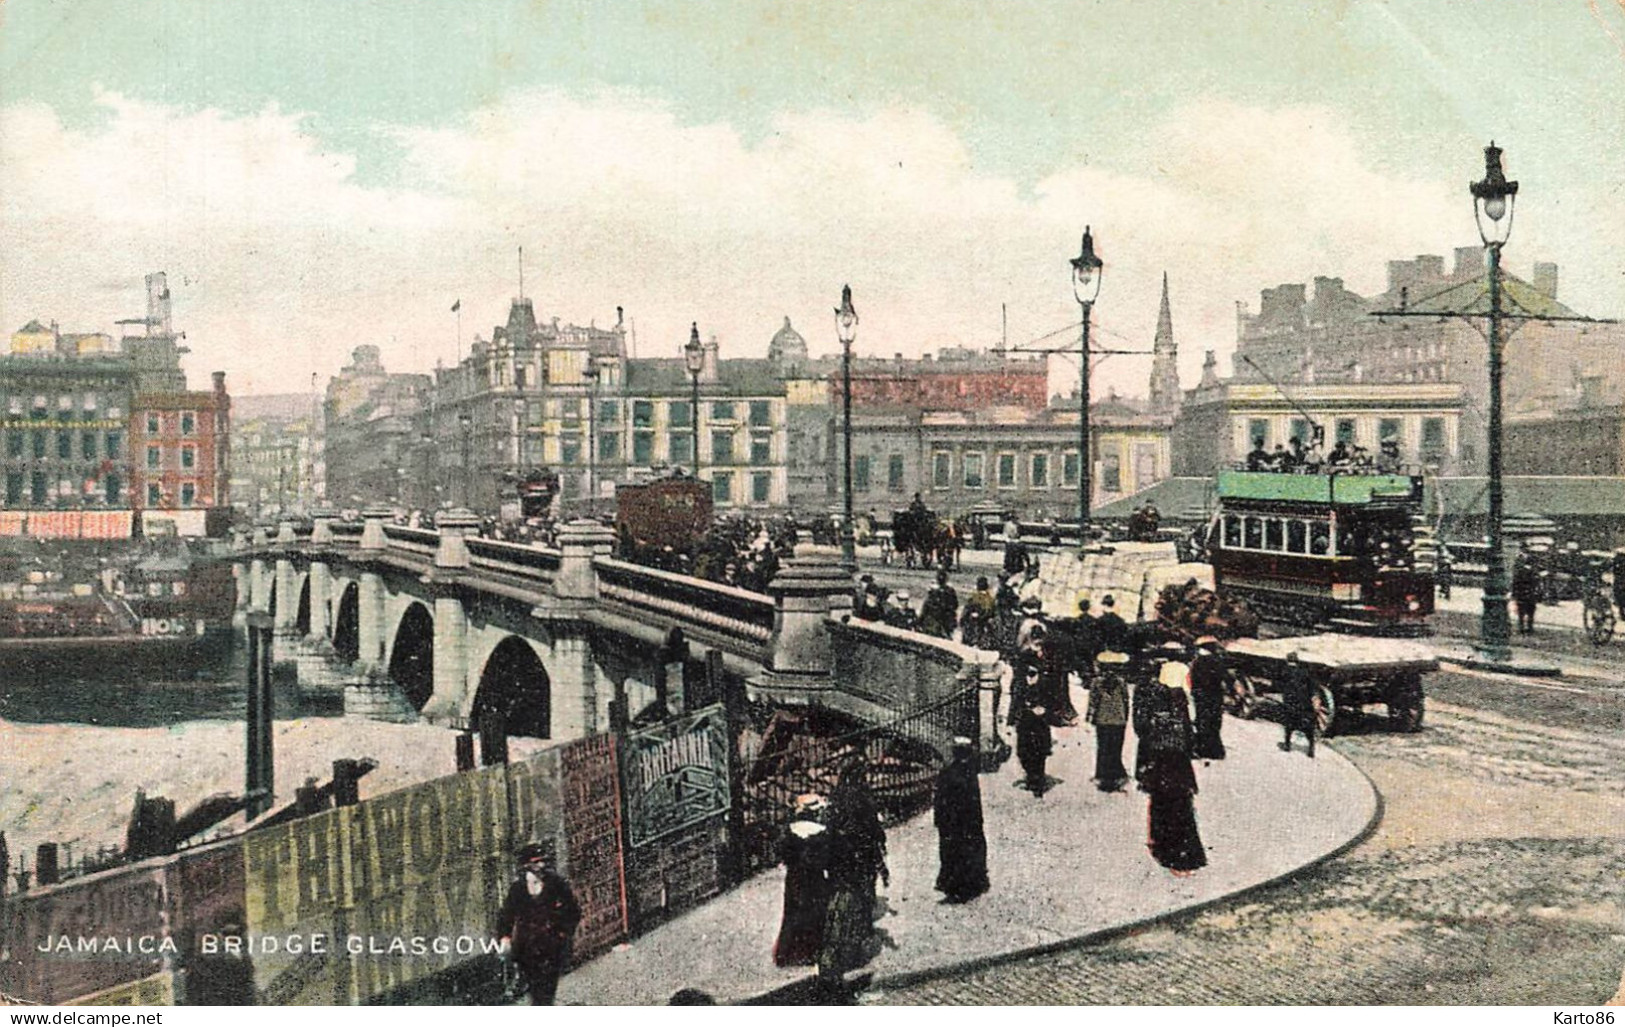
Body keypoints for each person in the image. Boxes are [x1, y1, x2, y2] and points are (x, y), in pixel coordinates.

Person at [1137, 660, 1207, 876]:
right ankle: (1182, 858)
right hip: (1178, 765)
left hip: (1160, 762)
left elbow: (1145, 731)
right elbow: (1189, 738)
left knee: (1162, 805)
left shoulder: (1154, 698)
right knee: (1181, 809)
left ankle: (1162, 848)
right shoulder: (1181, 700)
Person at [821, 763, 888, 976]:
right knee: (861, 899)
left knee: (839, 902)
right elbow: (873, 830)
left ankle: (839, 949)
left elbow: (828, 828)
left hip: (838, 860)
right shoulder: (863, 798)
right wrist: (880, 859)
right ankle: (854, 946)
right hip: (860, 857)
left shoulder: (836, 797)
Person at [496, 843, 582, 1005]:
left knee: (547, 988)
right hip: (527, 947)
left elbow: (573, 911)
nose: (540, 866)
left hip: (552, 945)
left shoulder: (556, 883)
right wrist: (505, 937)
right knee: (536, 990)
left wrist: (563, 932)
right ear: (526, 865)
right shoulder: (518, 888)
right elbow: (506, 914)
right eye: (536, 862)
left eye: (542, 861)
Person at [774, 795, 834, 967]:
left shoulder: (790, 831)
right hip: (815, 879)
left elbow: (783, 854)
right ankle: (813, 952)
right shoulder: (821, 833)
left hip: (795, 879)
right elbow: (826, 859)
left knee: (793, 913)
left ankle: (790, 954)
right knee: (816, 913)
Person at [1086, 650, 1132, 792]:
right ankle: (1115, 775)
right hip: (1118, 719)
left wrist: (1090, 718)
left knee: (1103, 748)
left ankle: (1103, 775)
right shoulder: (1121, 682)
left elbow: (1093, 702)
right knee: (1116, 747)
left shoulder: (1097, 683)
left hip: (1102, 719)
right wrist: (1126, 717)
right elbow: (1126, 701)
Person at [1012, 663, 1052, 795]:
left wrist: (1044, 709)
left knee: (1039, 752)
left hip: (1040, 723)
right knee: (1024, 752)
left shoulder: (1045, 682)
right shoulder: (1020, 682)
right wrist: (1013, 719)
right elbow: (1015, 701)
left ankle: (1038, 783)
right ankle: (1030, 777)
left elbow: (1053, 700)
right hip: (1025, 721)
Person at [1188, 637, 1228, 761]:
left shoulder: (1200, 661)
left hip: (1203, 695)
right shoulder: (1217, 661)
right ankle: (1215, 750)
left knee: (1203, 721)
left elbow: (1195, 679)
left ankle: (1203, 749)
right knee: (1214, 722)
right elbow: (1224, 677)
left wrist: (1195, 691)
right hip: (1215, 696)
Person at [1277, 652, 1318, 758]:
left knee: (1289, 724)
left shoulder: (1285, 671)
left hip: (1291, 702)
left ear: (1287, 660)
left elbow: (1279, 685)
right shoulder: (1305, 672)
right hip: (1305, 702)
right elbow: (1312, 686)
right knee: (1308, 728)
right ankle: (1311, 749)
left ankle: (1287, 745)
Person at [919, 569, 959, 639]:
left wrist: (920, 620)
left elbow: (926, 607)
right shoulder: (951, 591)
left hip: (936, 623)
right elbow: (955, 605)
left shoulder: (933, 592)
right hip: (947, 621)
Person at [960, 576, 996, 649]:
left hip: (974, 626)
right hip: (986, 626)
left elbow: (965, 613)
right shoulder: (991, 599)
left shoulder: (974, 598)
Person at [1512, 552, 1540, 634]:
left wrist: (1514, 594)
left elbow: (1515, 583)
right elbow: (1536, 584)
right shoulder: (1534, 572)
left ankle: (1521, 628)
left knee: (1521, 613)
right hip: (1531, 595)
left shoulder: (1520, 571)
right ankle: (1530, 628)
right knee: (1531, 612)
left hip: (1521, 595)